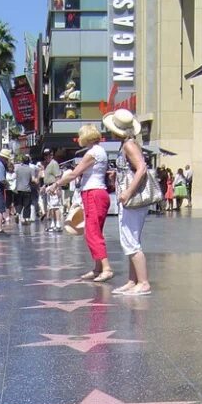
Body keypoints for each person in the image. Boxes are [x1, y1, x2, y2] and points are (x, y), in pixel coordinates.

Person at [50, 123, 113, 282]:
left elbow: (75, 173)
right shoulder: (101, 151)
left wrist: (56, 184)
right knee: (95, 230)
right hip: (98, 192)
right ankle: (98, 267)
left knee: (92, 232)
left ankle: (105, 267)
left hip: (93, 193)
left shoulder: (92, 153)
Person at [103, 108, 151, 296]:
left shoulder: (129, 145)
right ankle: (134, 280)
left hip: (132, 199)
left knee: (131, 240)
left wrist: (128, 192)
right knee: (130, 239)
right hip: (129, 199)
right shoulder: (127, 144)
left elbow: (141, 168)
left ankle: (143, 282)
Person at [42, 148, 63, 232]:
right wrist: (44, 185)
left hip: (53, 186)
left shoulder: (54, 164)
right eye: (45, 155)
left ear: (51, 155)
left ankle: (57, 224)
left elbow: (58, 176)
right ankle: (53, 224)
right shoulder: (47, 164)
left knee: (55, 206)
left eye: (48, 155)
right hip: (48, 186)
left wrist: (57, 188)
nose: (47, 156)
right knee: (51, 207)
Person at [14, 154, 34, 225]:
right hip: (27, 189)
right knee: (27, 205)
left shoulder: (17, 168)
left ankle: (17, 213)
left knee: (19, 203)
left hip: (18, 189)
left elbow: (14, 177)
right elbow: (33, 179)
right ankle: (26, 219)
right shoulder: (30, 169)